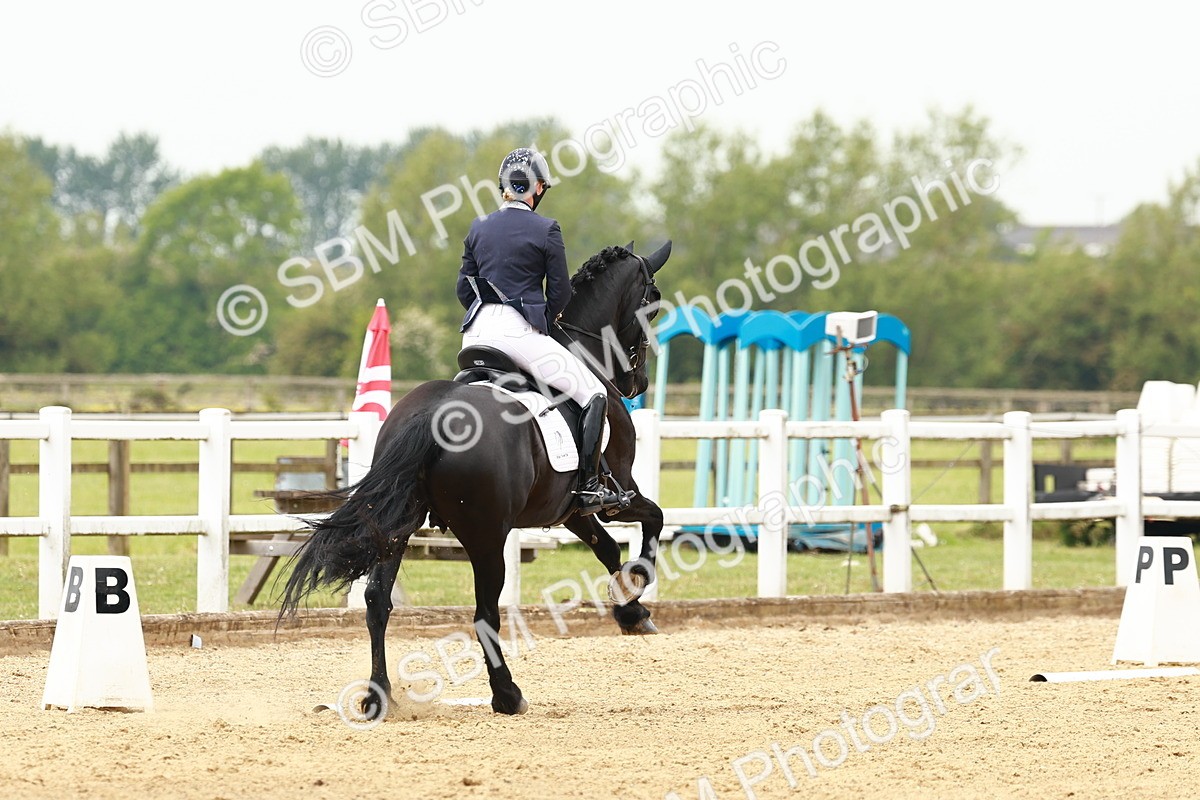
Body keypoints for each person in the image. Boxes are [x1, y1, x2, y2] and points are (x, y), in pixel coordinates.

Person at [457, 148, 626, 516]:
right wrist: (543, 323)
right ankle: (589, 487)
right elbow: (561, 292)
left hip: (473, 334)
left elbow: (463, 289)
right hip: (519, 335)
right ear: (537, 190)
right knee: (595, 393)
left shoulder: (478, 226)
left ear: (505, 187)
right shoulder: (546, 229)